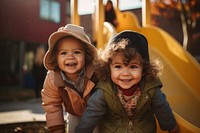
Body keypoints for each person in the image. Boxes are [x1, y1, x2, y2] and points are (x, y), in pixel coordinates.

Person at [75, 30, 179, 133]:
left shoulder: (151, 88)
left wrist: (171, 127)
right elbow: (92, 113)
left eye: (133, 67)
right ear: (108, 68)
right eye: (118, 66)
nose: (125, 73)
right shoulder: (104, 90)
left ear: (144, 69)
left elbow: (162, 109)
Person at [41, 24, 99, 133]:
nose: (70, 57)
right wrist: (57, 129)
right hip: (74, 114)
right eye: (63, 53)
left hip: (97, 113)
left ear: (86, 56)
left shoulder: (95, 72)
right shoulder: (53, 79)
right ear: (56, 58)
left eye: (77, 52)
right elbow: (52, 104)